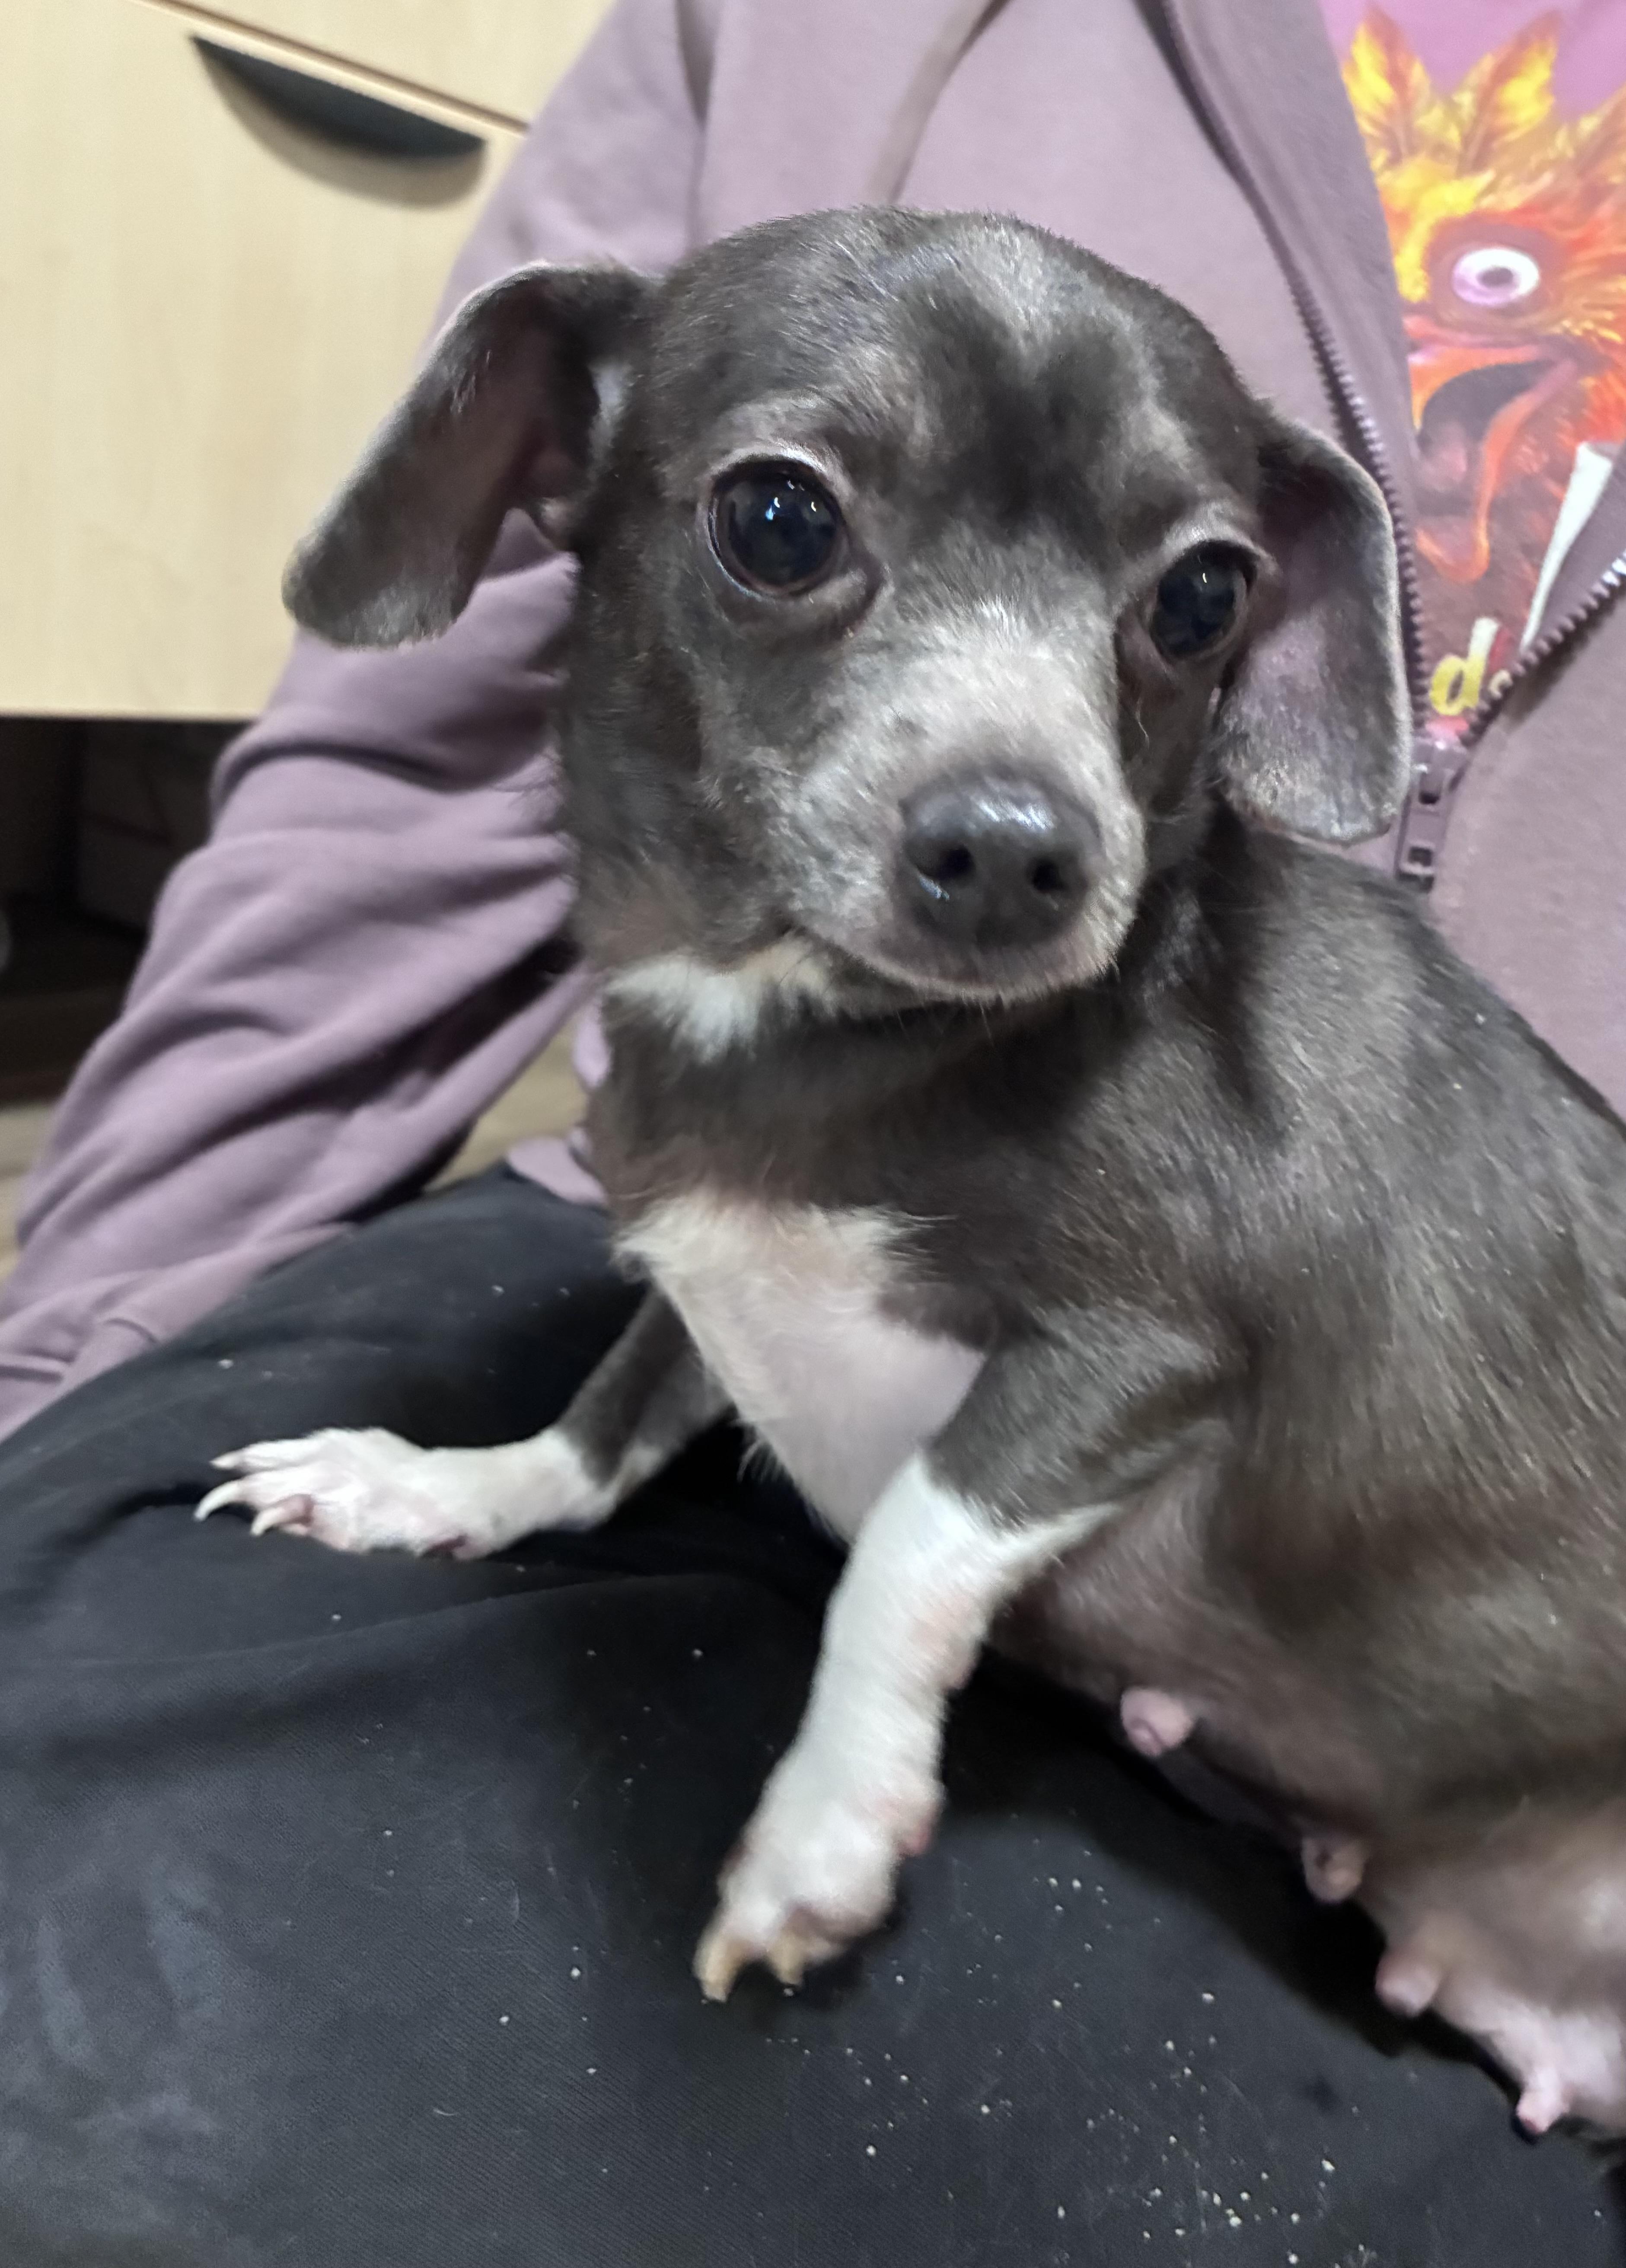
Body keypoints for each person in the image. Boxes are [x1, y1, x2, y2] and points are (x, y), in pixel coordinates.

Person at [2, 1, 1624, 2259]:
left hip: (1495, 1673)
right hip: (856, 1445)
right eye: (789, 527)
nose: (1025, 804)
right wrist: (69, 1390)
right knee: (123, 1989)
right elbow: (399, 801)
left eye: (1176, 612)